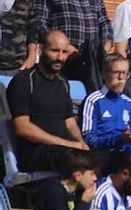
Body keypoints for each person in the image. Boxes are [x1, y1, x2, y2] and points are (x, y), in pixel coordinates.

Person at [9, 29, 91, 172]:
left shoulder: (63, 83)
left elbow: (70, 122)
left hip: (65, 151)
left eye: (64, 52)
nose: (60, 57)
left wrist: (80, 143)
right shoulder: (24, 80)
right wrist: (66, 144)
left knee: (108, 159)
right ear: (41, 49)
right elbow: (22, 127)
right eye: (54, 51)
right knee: (77, 162)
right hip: (37, 152)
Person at [78, 54, 131, 154]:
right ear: (103, 74)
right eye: (116, 72)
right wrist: (119, 140)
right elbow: (88, 140)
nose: (121, 78)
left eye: (124, 73)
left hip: (127, 152)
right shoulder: (93, 101)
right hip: (102, 154)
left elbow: (130, 131)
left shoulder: (130, 103)